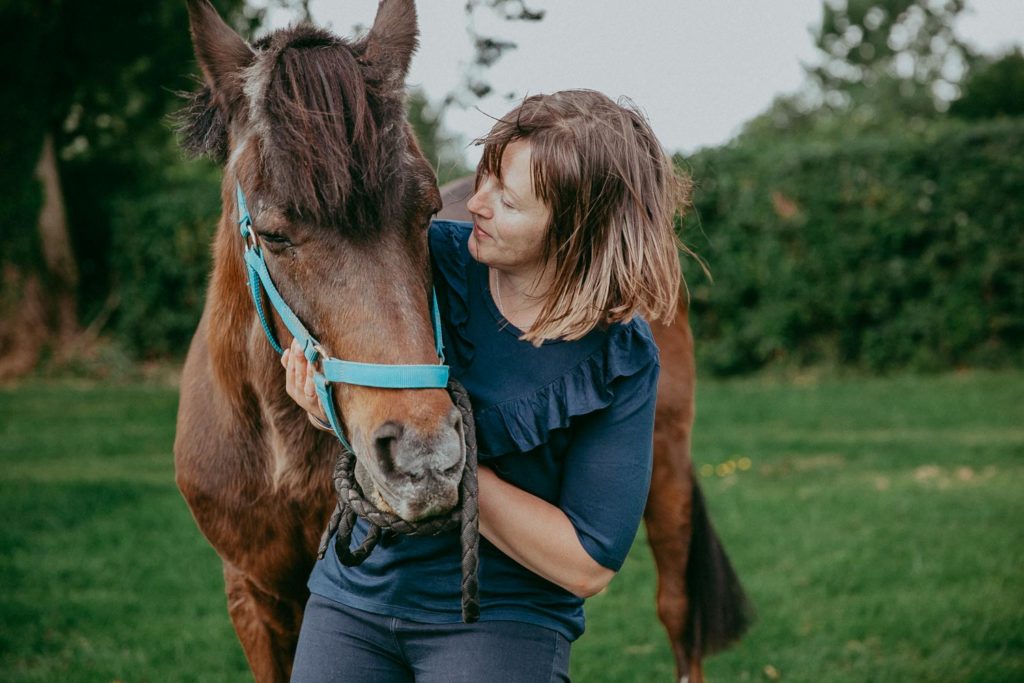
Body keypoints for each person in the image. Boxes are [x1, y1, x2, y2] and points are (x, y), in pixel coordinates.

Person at [284, 89, 688, 682]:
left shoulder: (618, 361)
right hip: (354, 597)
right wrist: (328, 403)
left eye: (509, 199)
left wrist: (449, 465)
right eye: (486, 176)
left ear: (578, 228)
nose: (473, 203)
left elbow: (587, 566)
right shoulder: (423, 264)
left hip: (502, 619)